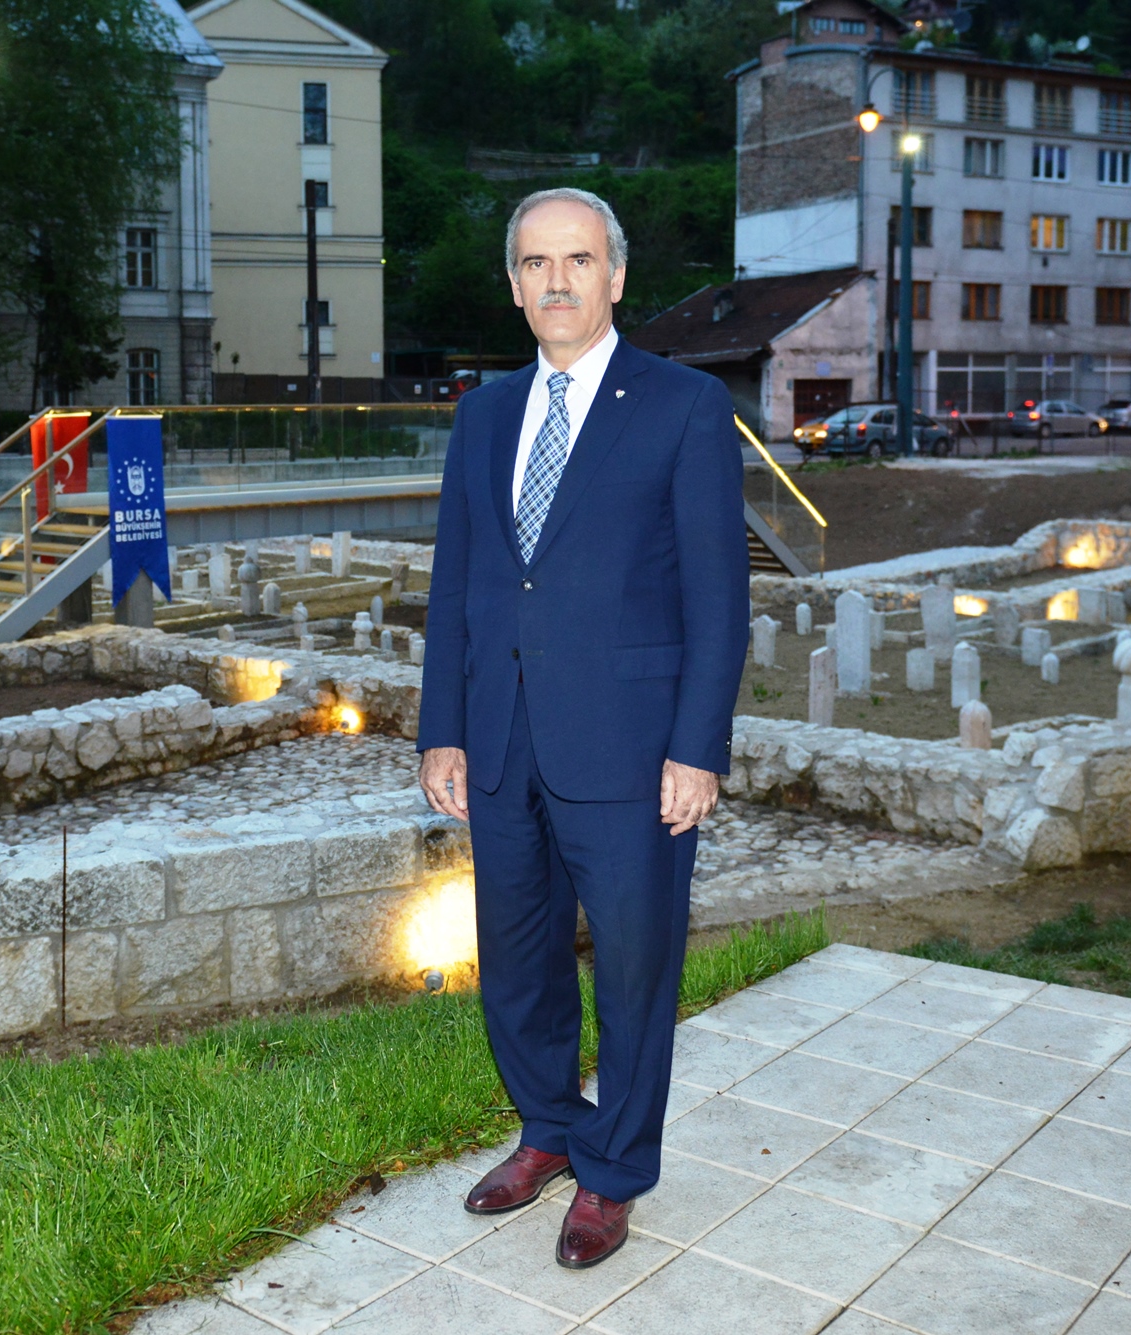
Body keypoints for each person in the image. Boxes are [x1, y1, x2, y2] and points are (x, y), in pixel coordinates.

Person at [417, 188, 749, 1270]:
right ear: (513, 284)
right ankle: (549, 1129)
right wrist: (441, 728)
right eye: (534, 262)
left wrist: (696, 748)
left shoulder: (684, 406)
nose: (555, 281)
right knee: (516, 960)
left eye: (577, 259)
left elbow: (717, 598)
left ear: (615, 275)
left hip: (634, 749)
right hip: (501, 739)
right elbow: (459, 585)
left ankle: (612, 1171)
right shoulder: (481, 415)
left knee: (636, 968)